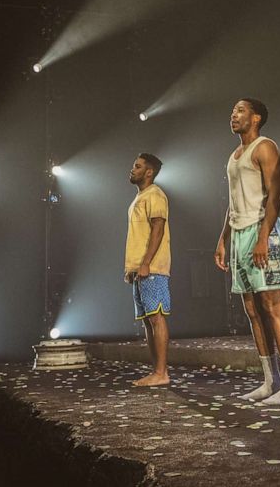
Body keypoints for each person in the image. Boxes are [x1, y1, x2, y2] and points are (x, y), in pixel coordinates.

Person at [214, 98, 280, 405]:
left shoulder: (265, 147)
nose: (233, 115)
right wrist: (223, 238)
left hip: (261, 230)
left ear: (256, 118)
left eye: (239, 110)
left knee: (273, 304)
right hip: (239, 233)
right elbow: (233, 202)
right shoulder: (235, 155)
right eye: (233, 110)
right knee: (252, 310)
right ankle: (271, 381)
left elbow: (276, 195)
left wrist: (264, 237)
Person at [124, 153, 172, 387]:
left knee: (156, 317)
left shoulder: (155, 194)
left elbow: (158, 229)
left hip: (152, 267)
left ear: (149, 172)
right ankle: (156, 371)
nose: (132, 169)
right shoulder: (139, 198)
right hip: (140, 269)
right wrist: (132, 267)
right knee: (146, 320)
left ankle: (161, 372)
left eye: (137, 166)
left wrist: (145, 263)